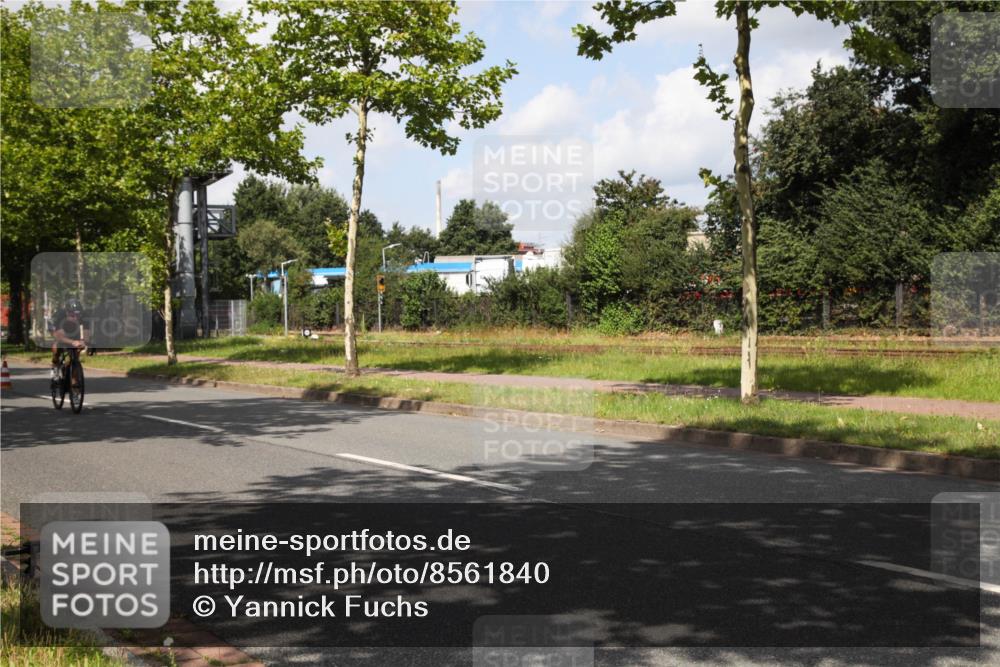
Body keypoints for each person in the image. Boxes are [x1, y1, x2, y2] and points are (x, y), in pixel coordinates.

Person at [49, 298, 87, 380]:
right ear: (67, 313)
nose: (75, 318)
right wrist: (72, 342)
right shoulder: (59, 316)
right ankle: (55, 366)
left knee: (76, 351)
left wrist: (84, 341)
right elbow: (59, 337)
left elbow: (86, 331)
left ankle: (73, 373)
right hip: (58, 331)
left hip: (73, 330)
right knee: (57, 347)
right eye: (72, 315)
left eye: (78, 315)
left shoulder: (83, 316)